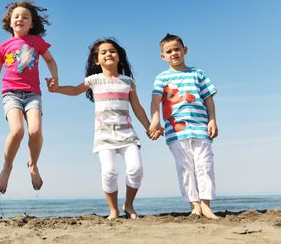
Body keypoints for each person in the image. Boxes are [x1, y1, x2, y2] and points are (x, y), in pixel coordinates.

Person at [47, 38, 162, 220]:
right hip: (104, 135)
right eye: (103, 52)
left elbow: (137, 108)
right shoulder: (94, 80)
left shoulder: (128, 82)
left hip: (127, 134)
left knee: (136, 169)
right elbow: (75, 90)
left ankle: (129, 205)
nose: (109, 54)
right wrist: (57, 88)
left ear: (119, 57)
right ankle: (113, 210)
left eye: (112, 51)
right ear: (96, 60)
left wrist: (149, 127)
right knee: (109, 172)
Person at [0, 0, 58, 194]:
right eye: (16, 16)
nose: (20, 19)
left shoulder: (37, 42)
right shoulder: (4, 46)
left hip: (33, 94)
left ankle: (33, 164)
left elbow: (50, 60)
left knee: (35, 131)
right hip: (11, 93)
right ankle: (7, 167)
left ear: (31, 23)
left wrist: (55, 80)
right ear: (10, 22)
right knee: (17, 131)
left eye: (25, 17)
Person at [149, 33, 219, 219]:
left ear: (184, 50)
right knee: (185, 167)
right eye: (169, 51)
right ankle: (194, 205)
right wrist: (155, 120)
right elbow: (155, 101)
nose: (174, 53)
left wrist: (212, 120)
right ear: (163, 56)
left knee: (205, 165)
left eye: (177, 49)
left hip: (200, 128)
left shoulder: (198, 73)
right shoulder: (161, 78)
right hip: (176, 133)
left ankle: (206, 204)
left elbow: (208, 99)